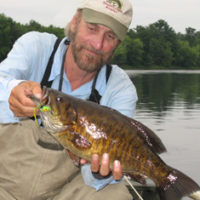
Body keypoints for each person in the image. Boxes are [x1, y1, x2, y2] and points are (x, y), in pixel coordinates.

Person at [0, 0, 138, 199]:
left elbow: (100, 173)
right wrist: (13, 91)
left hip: (63, 193)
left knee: (114, 194)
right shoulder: (36, 47)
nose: (97, 44)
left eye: (110, 36)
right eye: (92, 28)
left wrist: (99, 172)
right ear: (74, 22)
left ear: (118, 44)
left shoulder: (119, 88)